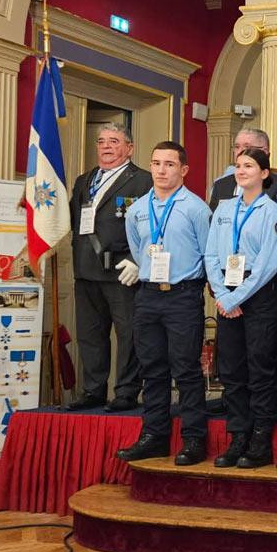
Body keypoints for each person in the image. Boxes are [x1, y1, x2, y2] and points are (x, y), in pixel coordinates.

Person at [117, 141, 211, 465]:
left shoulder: (196, 208)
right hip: (147, 295)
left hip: (183, 293)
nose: (161, 170)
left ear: (183, 170)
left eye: (169, 164)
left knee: (185, 369)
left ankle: (193, 439)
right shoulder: (137, 210)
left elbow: (208, 252)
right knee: (152, 368)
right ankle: (153, 436)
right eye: (156, 163)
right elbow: (137, 247)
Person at [205, 147, 277, 469]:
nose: (241, 170)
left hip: (258, 294)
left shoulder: (271, 211)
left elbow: (267, 265)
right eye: (238, 165)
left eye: (249, 166)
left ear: (264, 174)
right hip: (226, 292)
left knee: (260, 368)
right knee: (232, 370)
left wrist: (236, 298)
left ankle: (260, 439)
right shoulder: (224, 208)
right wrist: (222, 294)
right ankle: (238, 434)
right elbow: (211, 254)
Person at [68, 124, 152, 411]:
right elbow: (72, 220)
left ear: (129, 148)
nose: (106, 146)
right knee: (90, 334)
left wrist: (138, 259)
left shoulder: (143, 181)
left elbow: (154, 227)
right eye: (101, 141)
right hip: (86, 269)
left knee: (128, 334)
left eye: (114, 141)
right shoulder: (84, 180)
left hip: (122, 270)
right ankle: (93, 390)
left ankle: (126, 391)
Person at [209, 127, 277, 211]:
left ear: (264, 151)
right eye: (237, 147)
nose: (240, 152)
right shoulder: (220, 185)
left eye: (247, 147)